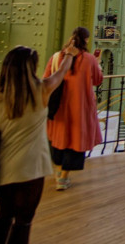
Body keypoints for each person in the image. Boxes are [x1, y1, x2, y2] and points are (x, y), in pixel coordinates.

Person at [0, 45, 75, 244]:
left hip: (4, 166)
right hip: (32, 168)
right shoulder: (41, 91)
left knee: (4, 215)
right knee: (24, 221)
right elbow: (60, 73)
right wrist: (69, 54)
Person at [43, 27, 103, 190]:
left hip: (59, 107)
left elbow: (46, 79)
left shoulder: (56, 57)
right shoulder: (89, 59)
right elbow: (98, 80)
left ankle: (57, 172)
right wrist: (97, 64)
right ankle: (63, 177)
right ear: (86, 40)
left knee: (58, 138)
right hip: (80, 107)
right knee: (75, 140)